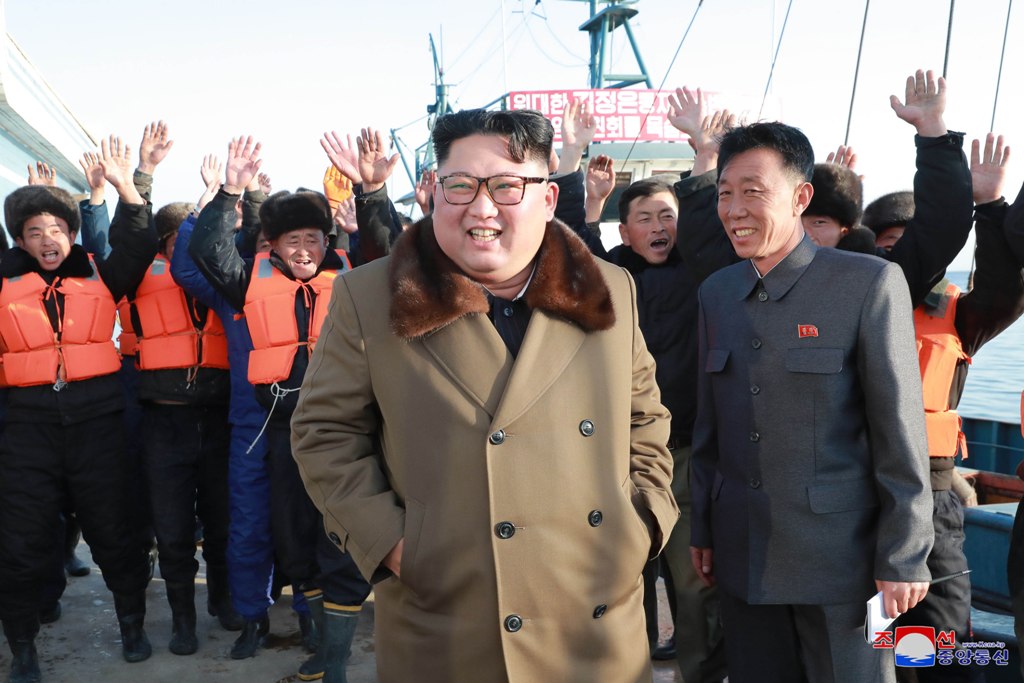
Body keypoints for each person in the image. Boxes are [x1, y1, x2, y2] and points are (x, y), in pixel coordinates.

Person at [291, 108, 678, 682]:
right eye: (461, 185)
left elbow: (644, 416)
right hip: (449, 617)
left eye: (506, 186)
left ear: (548, 199)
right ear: (434, 191)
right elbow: (324, 433)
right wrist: (393, 545)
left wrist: (643, 523)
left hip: (595, 617)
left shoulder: (609, 286)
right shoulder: (369, 296)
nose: (482, 207)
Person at [689, 120, 934, 683]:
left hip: (843, 564)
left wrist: (904, 555)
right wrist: (703, 527)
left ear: (801, 197)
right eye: (725, 193)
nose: (734, 209)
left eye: (753, 191)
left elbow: (900, 433)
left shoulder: (867, 283)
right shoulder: (716, 293)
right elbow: (710, 428)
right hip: (741, 553)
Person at [549, 96, 726, 682]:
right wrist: (571, 157)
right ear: (623, 230)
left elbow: (708, 222)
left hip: (687, 454)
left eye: (667, 216)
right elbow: (566, 240)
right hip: (613, 455)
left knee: (695, 583)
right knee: (623, 581)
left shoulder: (706, 275)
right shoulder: (611, 278)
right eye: (644, 219)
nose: (658, 228)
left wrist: (704, 155)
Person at [189, 136, 369, 680]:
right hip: (277, 426)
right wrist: (230, 191)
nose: (305, 250)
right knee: (286, 534)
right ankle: (296, 630)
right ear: (274, 244)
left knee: (338, 536)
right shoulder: (248, 279)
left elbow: (392, 249)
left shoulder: (355, 277)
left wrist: (372, 190)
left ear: (328, 241)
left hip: (345, 430)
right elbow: (207, 252)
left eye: (314, 239)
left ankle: (331, 653)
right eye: (294, 240)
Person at [0, 135, 159, 683]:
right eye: (34, 231)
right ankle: (23, 648)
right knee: (21, 541)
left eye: (56, 229)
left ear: (71, 234)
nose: (47, 240)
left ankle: (131, 626)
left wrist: (125, 187)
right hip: (27, 428)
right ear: (20, 240)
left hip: (99, 423)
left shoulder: (100, 273)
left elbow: (139, 243)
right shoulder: (3, 280)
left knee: (116, 531)